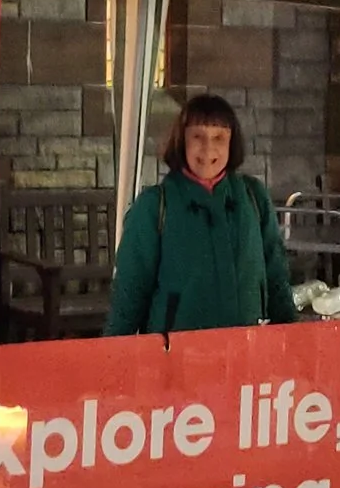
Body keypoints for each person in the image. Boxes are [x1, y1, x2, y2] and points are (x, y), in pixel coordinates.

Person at [106, 94, 298, 334]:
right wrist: (114, 358)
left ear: (231, 143)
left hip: (245, 352)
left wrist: (293, 339)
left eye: (219, 137)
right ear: (182, 141)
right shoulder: (154, 206)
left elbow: (276, 275)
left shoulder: (253, 198)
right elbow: (129, 292)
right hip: (176, 356)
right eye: (198, 136)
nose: (208, 148)